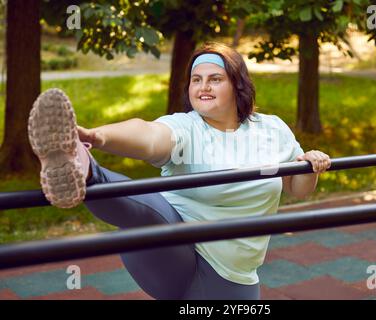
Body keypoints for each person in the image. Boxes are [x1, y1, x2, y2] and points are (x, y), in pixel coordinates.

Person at [27, 42, 331, 300]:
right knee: (153, 210)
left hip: (235, 275)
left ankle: (83, 168)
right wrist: (96, 136)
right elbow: (148, 135)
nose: (203, 87)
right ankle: (82, 166)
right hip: (169, 250)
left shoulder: (272, 129)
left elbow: (297, 188)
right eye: (196, 80)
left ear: (237, 84)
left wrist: (311, 165)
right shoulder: (187, 127)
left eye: (215, 79)